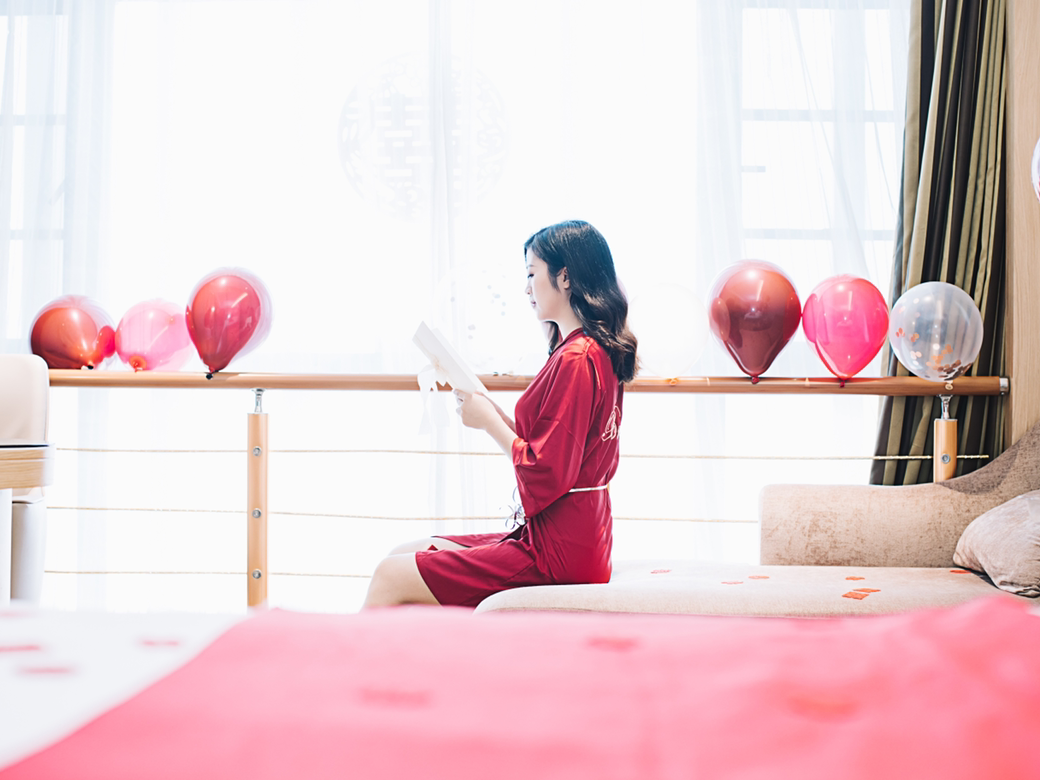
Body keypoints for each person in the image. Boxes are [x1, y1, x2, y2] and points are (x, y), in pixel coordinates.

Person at [362, 220, 638, 608]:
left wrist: (490, 422)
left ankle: (358, 649)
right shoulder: (588, 349)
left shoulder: (577, 357)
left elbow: (547, 470)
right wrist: (491, 412)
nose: (526, 288)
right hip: (572, 538)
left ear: (564, 277)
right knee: (405, 553)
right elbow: (556, 450)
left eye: (531, 274)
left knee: (390, 575)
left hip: (558, 552)